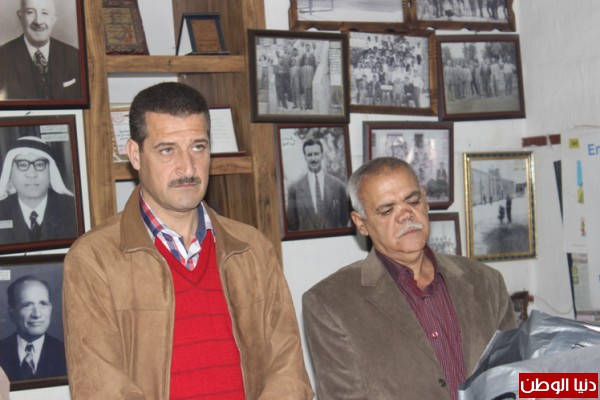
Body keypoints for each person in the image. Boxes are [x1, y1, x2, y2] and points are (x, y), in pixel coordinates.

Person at [62, 82, 313, 399]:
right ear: (135, 155)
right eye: (167, 150)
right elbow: (100, 388)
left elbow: (289, 372)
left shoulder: (252, 248)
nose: (188, 167)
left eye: (198, 147)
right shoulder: (93, 259)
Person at [303, 157, 515, 400]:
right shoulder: (329, 302)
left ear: (425, 201)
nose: (406, 214)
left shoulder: (485, 281)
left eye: (413, 201)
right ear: (361, 223)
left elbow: (514, 376)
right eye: (387, 210)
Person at [0, 136, 78, 245]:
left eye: (40, 164)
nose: (32, 174)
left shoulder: (74, 210)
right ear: (10, 172)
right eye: (22, 165)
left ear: (50, 171)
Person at [0, 0, 82, 100]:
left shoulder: (74, 56)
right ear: (20, 17)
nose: (38, 22)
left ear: (53, 19)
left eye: (44, 13)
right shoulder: (2, 57)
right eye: (30, 12)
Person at [0, 275, 67, 381]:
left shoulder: (66, 352)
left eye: (43, 304)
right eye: (27, 305)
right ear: (12, 313)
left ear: (50, 308)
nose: (37, 314)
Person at [286, 138, 349, 232]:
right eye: (309, 155)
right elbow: (292, 224)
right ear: (305, 157)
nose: (313, 159)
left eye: (316, 154)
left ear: (322, 155)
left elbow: (344, 219)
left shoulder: (338, 185)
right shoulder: (294, 188)